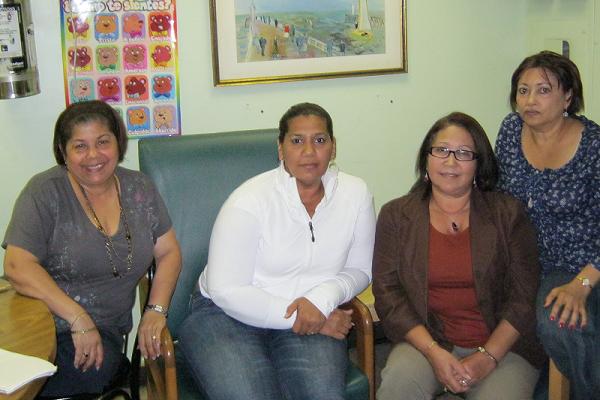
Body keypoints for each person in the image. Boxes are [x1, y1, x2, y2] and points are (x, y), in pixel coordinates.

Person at [178, 102, 376, 400]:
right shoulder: (248, 201)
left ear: (333, 148)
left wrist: (321, 300)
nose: (309, 151)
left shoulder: (356, 194)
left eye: (320, 140)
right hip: (225, 315)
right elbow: (226, 291)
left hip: (311, 307)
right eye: (297, 141)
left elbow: (360, 269)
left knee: (322, 395)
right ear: (281, 150)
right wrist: (314, 319)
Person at [2, 100, 181, 397]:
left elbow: (169, 252)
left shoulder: (139, 189)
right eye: (80, 146)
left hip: (103, 332)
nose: (93, 156)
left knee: (86, 371)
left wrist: (156, 309)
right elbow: (17, 266)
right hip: (34, 324)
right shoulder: (44, 192)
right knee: (22, 378)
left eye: (102, 142)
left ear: (118, 143)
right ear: (63, 151)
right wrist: (76, 316)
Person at [374, 112, 545, 399]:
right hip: (427, 341)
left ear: (479, 165)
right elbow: (388, 294)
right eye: (441, 150)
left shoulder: (508, 214)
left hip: (502, 347)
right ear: (426, 160)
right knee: (398, 386)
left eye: (464, 153)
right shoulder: (396, 216)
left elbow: (524, 297)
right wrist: (433, 352)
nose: (451, 161)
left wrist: (488, 357)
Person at [495, 51, 600, 399]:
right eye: (523, 91)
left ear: (568, 96)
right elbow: (497, 193)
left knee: (560, 322)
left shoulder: (593, 145)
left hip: (579, 261)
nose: (529, 100)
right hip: (524, 258)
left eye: (543, 90)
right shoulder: (511, 130)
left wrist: (583, 282)